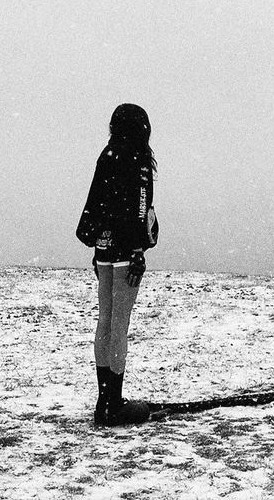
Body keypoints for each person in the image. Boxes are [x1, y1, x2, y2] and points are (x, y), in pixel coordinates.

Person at [76, 103, 159, 427]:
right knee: (119, 324)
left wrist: (100, 244)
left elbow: (95, 200)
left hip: (105, 247)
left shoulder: (107, 154)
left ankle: (104, 400)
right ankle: (114, 405)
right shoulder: (136, 159)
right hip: (126, 250)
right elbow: (140, 207)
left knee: (106, 321)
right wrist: (139, 248)